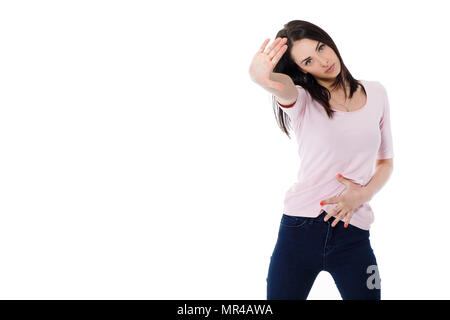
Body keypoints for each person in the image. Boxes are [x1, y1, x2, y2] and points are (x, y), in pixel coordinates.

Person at [248, 20, 394, 300]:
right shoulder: (301, 100)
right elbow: (283, 88)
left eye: (321, 47)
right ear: (301, 69)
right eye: (308, 60)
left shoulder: (376, 93)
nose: (324, 61)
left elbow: (386, 162)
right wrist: (262, 78)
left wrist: (362, 194)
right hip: (299, 230)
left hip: (354, 231)